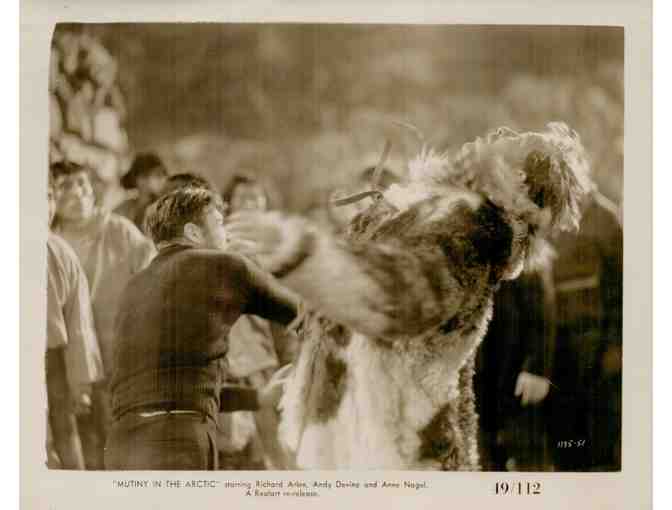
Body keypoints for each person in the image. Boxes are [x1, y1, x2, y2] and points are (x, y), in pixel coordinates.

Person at [227, 123, 591, 470]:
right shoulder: (444, 212)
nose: (492, 139)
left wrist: (297, 251)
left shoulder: (472, 229)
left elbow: (396, 299)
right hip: (378, 427)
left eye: (507, 143)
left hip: (396, 443)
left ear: (518, 180)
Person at [104, 187, 303, 470]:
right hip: (179, 443)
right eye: (220, 224)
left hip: (121, 444)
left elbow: (169, 386)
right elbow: (302, 314)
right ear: (194, 233)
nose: (227, 235)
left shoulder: (134, 286)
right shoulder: (224, 265)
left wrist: (259, 398)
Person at [50, 161, 156, 469]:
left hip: (123, 352)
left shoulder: (119, 230)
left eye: (81, 184)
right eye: (64, 186)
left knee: (124, 433)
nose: (76, 193)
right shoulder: (51, 241)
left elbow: (153, 275)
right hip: (76, 358)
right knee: (85, 436)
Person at [221, 174, 298, 470]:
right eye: (243, 198)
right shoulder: (224, 242)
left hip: (275, 339)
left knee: (279, 425)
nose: (251, 204)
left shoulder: (278, 241)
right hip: (240, 345)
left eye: (257, 197)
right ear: (229, 205)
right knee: (255, 425)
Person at [548, 189, 623, 471]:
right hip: (557, 347)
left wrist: (618, 345)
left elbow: (624, 288)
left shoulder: (605, 218)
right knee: (565, 443)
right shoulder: (549, 217)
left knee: (600, 442)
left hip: (598, 346)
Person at [474, 263, 556, 471]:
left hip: (515, 374)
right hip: (474, 377)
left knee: (526, 456)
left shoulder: (523, 245)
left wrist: (537, 367)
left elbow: (541, 306)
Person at [46, 180, 104, 469]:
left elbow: (79, 324)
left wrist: (81, 383)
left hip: (52, 359)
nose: (44, 207)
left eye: (47, 198)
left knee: (65, 434)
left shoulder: (60, 252)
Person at [115, 152, 168, 231]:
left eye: (158, 175)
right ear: (135, 178)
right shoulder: (126, 206)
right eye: (145, 176)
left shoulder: (164, 207)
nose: (150, 181)